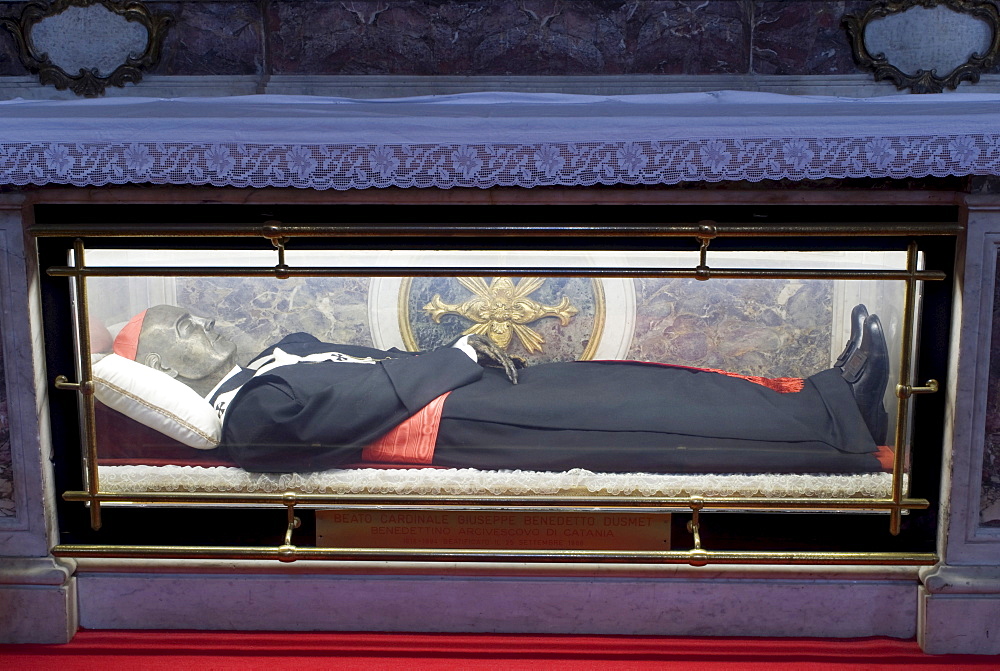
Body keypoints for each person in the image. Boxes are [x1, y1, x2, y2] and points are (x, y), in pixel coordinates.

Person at [110, 304, 890, 475]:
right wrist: (452, 357)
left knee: (632, 380)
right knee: (644, 414)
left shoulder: (281, 351)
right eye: (181, 327)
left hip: (464, 390)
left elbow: (375, 362)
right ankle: (835, 424)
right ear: (169, 369)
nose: (201, 320)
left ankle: (820, 392)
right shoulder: (246, 412)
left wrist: (459, 357)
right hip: (451, 421)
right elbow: (370, 399)